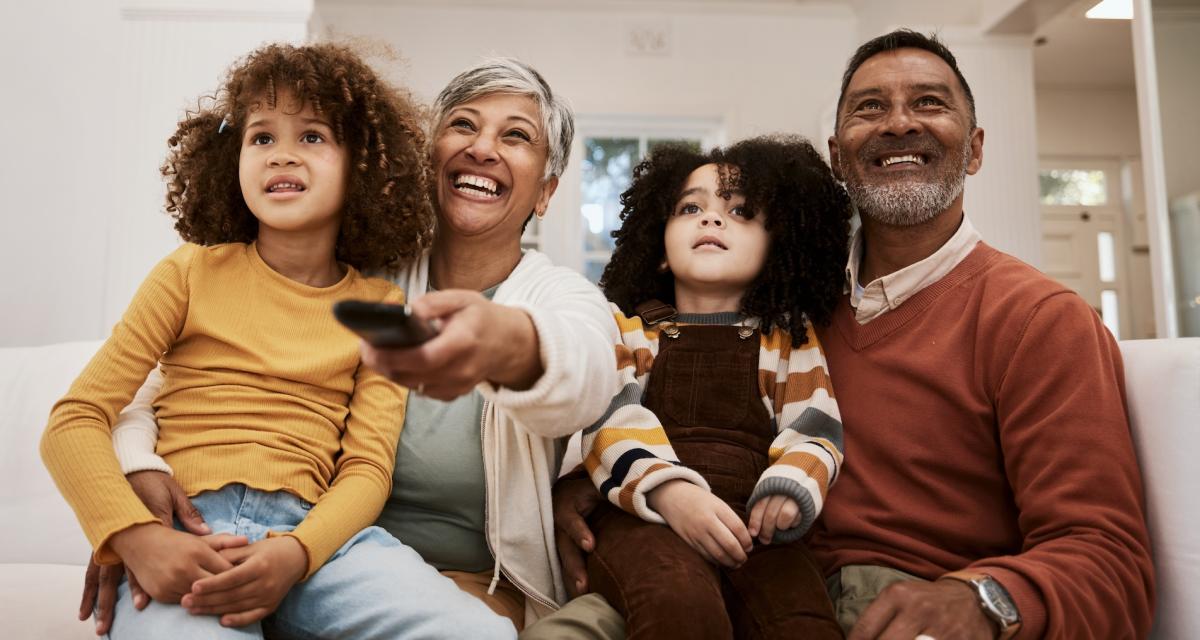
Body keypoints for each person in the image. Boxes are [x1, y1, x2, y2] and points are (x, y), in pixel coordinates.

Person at [551, 30, 1155, 640]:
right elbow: (639, 405)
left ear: (973, 150)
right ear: (838, 157)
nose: (898, 123)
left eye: (929, 103)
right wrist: (588, 491)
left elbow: (1110, 562)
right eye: (871, 106)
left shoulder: (1040, 320)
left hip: (889, 607)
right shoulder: (782, 297)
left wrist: (981, 598)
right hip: (706, 570)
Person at [80, 57, 623, 635]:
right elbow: (178, 379)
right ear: (426, 156)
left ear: (546, 191)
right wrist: (129, 507)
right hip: (300, 546)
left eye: (516, 135)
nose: (483, 148)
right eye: (463, 125)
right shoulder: (349, 274)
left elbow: (585, 374)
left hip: (422, 576)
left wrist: (510, 343)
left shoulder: (564, 299)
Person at [574, 136, 850, 639]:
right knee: (680, 605)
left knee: (803, 623)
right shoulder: (631, 331)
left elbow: (816, 427)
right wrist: (671, 493)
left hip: (754, 524)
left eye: (740, 211)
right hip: (649, 517)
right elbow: (609, 423)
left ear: (776, 249)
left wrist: (790, 486)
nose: (711, 219)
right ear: (659, 250)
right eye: (690, 207)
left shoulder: (787, 336)